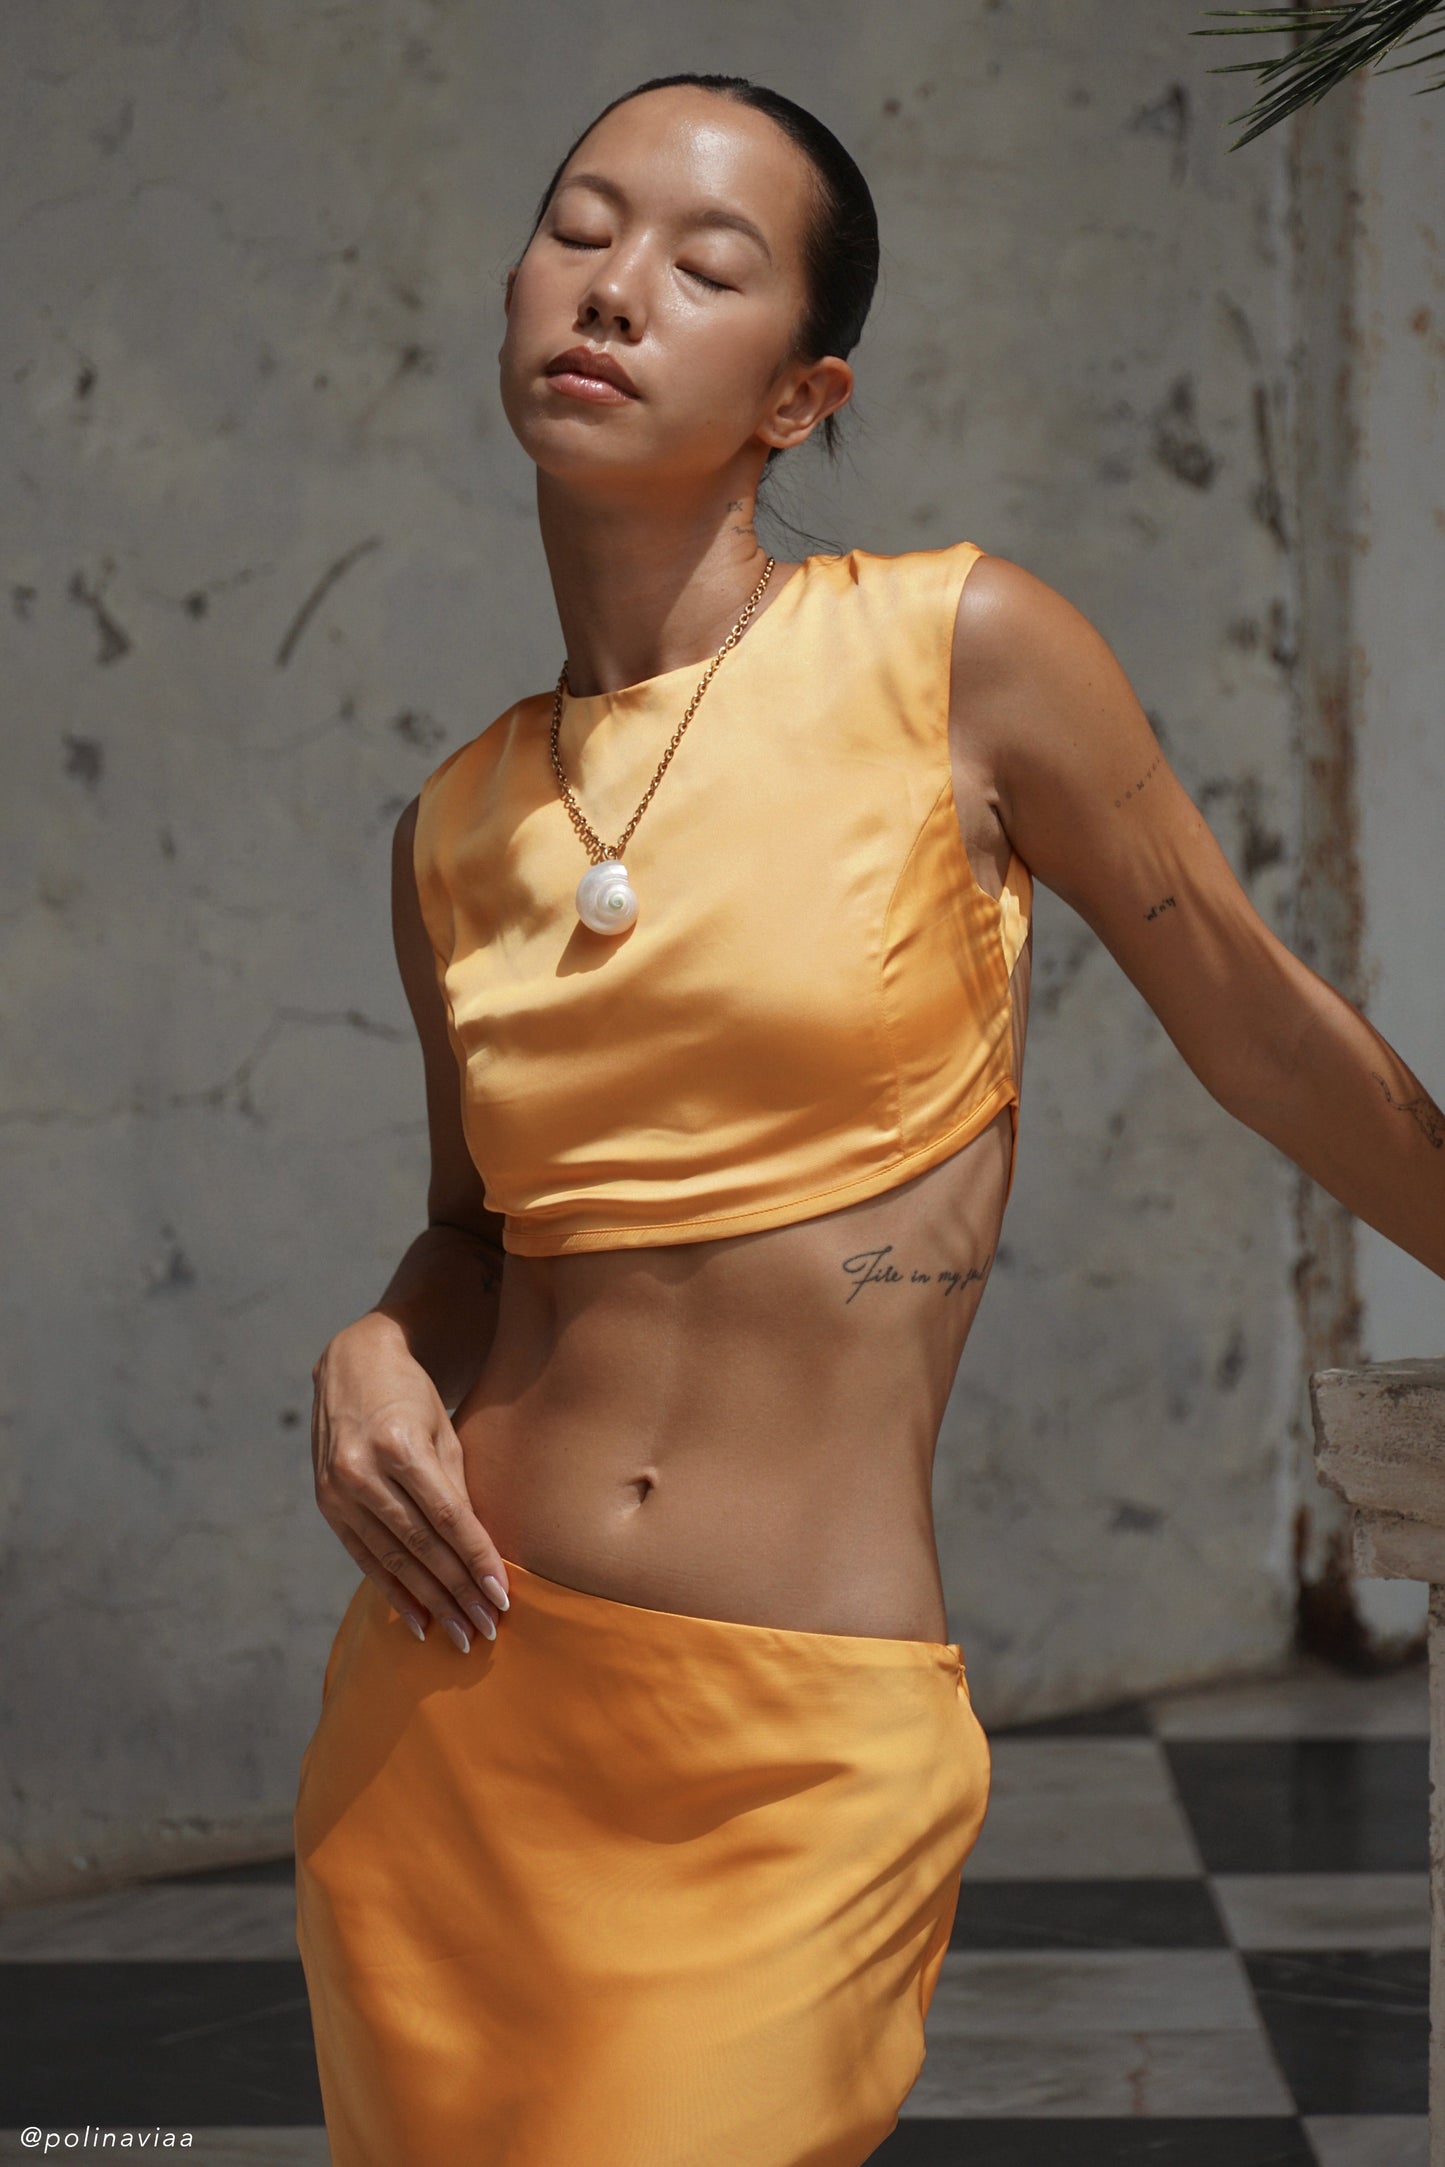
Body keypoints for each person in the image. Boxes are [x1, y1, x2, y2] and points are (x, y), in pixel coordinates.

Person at [292, 69, 1445, 2167]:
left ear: (800, 396)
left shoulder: (958, 655)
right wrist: (376, 1344)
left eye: (704, 264)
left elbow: (1262, 1032)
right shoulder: (453, 826)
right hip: (448, 1721)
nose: (614, 287)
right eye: (580, 228)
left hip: (789, 1758)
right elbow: (477, 1237)